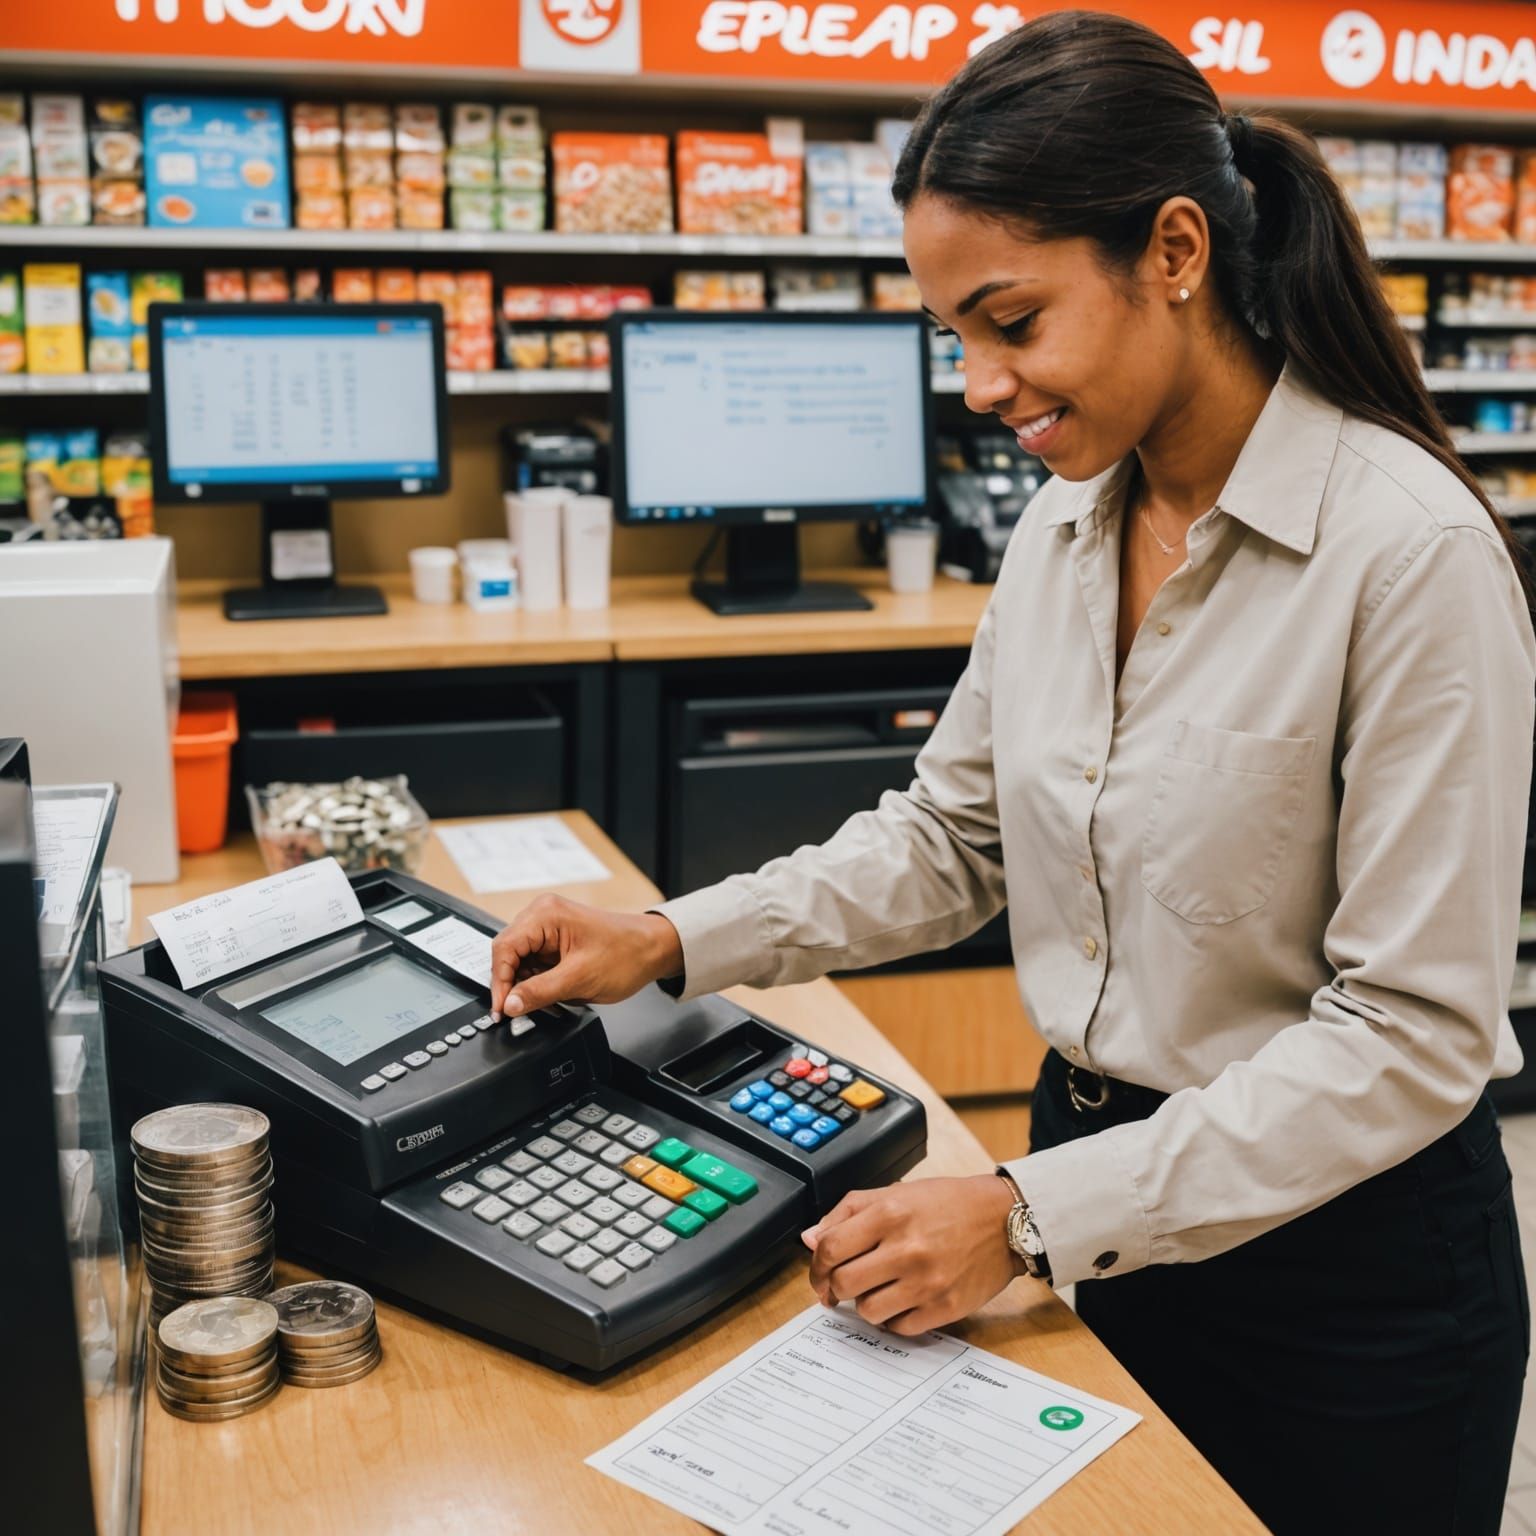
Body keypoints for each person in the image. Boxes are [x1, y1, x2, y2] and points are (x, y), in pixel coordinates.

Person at [489, 13, 1535, 1532]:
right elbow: (952, 839)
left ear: (1174, 250)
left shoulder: (1408, 555)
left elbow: (1410, 1036)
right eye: (952, 339)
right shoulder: (1067, 525)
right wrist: (667, 940)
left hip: (1341, 1286)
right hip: (1091, 1206)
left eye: (1013, 321)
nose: (979, 383)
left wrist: (1031, 1220)